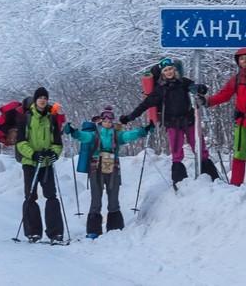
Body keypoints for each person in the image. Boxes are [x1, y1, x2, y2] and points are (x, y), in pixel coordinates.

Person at [119, 57, 218, 185]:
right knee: (177, 153)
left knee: (199, 148)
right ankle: (179, 181)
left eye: (171, 69)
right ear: (162, 73)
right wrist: (129, 117)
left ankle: (211, 179)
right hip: (173, 124)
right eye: (166, 70)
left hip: (189, 121)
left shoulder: (183, 82)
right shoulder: (160, 89)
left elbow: (194, 87)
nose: (169, 72)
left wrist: (200, 89)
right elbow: (144, 105)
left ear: (174, 69)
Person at [64, 106, 150, 238]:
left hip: (113, 168)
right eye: (105, 120)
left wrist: (143, 131)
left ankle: (115, 229)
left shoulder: (117, 134)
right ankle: (93, 230)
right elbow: (83, 136)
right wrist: (74, 132)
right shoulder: (94, 134)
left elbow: (129, 135)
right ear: (101, 121)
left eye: (110, 120)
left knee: (113, 198)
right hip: (96, 168)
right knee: (96, 199)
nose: (108, 122)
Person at [205, 47, 246, 186]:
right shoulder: (236, 79)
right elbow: (224, 94)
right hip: (241, 121)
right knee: (239, 153)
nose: (244, 61)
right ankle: (235, 184)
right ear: (238, 61)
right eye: (241, 59)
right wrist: (207, 101)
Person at [15, 86, 64, 242]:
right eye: (40, 98)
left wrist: (54, 153)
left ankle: (55, 232)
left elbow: (57, 142)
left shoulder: (52, 118)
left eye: (45, 98)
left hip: (46, 163)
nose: (43, 100)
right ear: (35, 100)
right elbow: (20, 142)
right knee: (30, 196)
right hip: (30, 162)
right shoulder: (25, 118)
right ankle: (33, 232)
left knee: (51, 196)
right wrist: (33, 154)